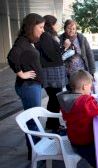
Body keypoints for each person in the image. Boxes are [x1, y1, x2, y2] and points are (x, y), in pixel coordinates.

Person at [57, 70, 98, 167]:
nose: (91, 87)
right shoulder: (84, 102)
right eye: (90, 85)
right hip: (85, 144)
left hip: (74, 140)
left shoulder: (67, 98)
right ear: (84, 87)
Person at [7, 13, 45, 160]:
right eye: (40, 27)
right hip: (28, 86)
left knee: (33, 119)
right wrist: (20, 73)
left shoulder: (28, 41)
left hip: (32, 86)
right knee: (32, 121)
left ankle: (35, 151)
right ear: (31, 26)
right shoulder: (22, 42)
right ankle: (36, 154)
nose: (42, 30)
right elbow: (11, 56)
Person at [35, 15, 67, 132]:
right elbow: (51, 55)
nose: (58, 25)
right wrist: (64, 48)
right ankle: (53, 125)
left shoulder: (48, 35)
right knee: (55, 99)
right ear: (51, 24)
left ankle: (52, 123)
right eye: (56, 23)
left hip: (52, 70)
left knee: (54, 99)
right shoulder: (46, 36)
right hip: (51, 71)